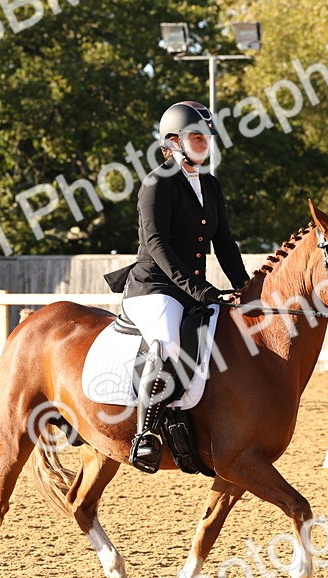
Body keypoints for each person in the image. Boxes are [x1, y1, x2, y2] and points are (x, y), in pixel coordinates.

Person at [116, 101, 250, 473]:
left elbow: (224, 243)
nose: (204, 143)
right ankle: (146, 434)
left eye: (207, 137)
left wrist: (245, 287)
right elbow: (156, 243)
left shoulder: (210, 185)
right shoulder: (156, 184)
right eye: (196, 137)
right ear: (173, 141)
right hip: (154, 288)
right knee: (168, 341)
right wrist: (197, 287)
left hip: (191, 289)